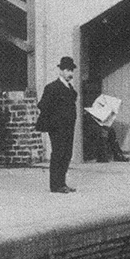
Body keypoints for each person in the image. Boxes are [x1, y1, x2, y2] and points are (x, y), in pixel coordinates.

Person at [36, 56, 78, 193]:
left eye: (71, 70)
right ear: (60, 70)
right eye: (67, 70)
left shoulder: (70, 89)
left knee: (67, 154)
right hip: (57, 127)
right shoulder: (52, 87)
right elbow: (42, 105)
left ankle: (62, 183)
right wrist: (55, 119)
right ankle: (55, 185)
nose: (70, 73)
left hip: (69, 127)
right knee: (58, 153)